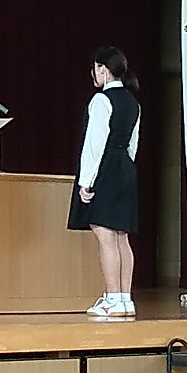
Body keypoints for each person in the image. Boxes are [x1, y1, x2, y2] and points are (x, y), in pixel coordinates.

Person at [67, 46, 141, 317]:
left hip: (105, 168)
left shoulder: (101, 100)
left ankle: (112, 297)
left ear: (103, 69)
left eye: (95, 68)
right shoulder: (133, 102)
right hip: (125, 167)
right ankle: (125, 299)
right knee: (121, 236)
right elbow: (133, 144)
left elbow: (94, 144)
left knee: (106, 235)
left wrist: (86, 180)